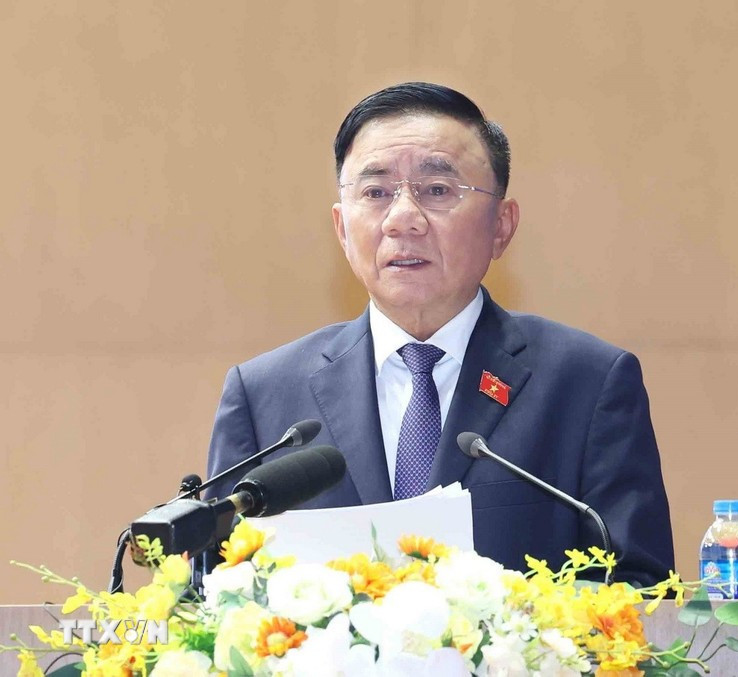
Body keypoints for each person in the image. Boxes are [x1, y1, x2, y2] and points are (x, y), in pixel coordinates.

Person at [205, 82, 674, 586]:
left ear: (501, 225)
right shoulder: (264, 397)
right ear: (341, 229)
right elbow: (214, 592)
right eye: (376, 193)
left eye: (437, 190)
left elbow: (642, 592)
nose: (403, 220)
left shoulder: (586, 383)